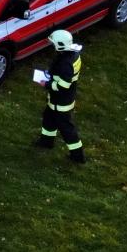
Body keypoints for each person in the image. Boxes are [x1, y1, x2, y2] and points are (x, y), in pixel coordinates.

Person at [35, 29, 85, 164]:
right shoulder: (72, 55)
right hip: (60, 99)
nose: (52, 46)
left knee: (66, 128)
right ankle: (46, 142)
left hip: (61, 102)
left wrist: (46, 84)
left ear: (60, 45)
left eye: (54, 44)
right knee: (48, 118)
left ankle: (78, 156)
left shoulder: (65, 64)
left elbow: (63, 86)